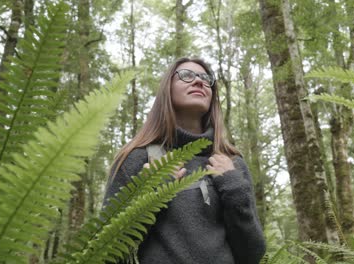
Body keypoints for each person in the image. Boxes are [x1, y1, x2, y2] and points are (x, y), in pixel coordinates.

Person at [102, 57, 266, 264]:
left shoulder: (231, 163)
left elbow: (251, 255)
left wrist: (234, 189)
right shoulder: (137, 158)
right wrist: (153, 194)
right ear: (167, 90)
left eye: (206, 78)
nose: (199, 82)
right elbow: (107, 250)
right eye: (186, 75)